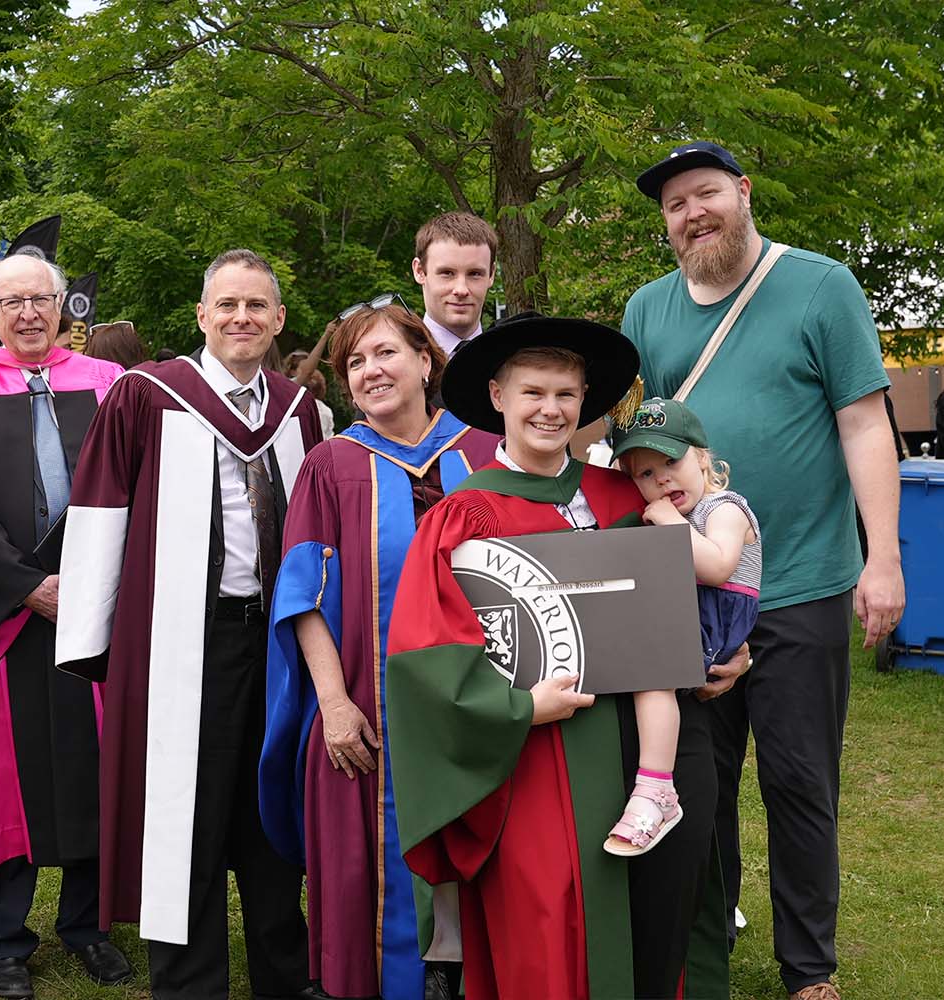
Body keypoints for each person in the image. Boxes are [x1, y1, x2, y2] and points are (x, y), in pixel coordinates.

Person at [624, 141, 905, 1000]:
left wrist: (882, 557)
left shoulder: (822, 286)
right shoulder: (648, 310)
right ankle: (701, 960)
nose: (692, 213)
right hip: (697, 594)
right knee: (699, 790)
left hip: (804, 580)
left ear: (743, 192)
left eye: (705, 193)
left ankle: (808, 970)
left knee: (798, 782)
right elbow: (639, 444)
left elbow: (863, 425)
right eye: (674, 204)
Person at [385, 312, 731, 1000]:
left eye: (566, 395)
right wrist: (518, 707)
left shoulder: (622, 497)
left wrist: (733, 642)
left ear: (585, 402)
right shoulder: (465, 514)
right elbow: (428, 654)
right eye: (533, 393)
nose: (550, 410)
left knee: (656, 919)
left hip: (648, 749)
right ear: (498, 397)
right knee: (548, 920)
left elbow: (701, 581)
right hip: (537, 759)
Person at [55, 249, 324, 1000]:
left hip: (273, 641)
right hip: (177, 640)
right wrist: (91, 639)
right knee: (185, 817)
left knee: (271, 806)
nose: (242, 318)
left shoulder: (298, 409)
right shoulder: (147, 395)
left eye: (257, 306)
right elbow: (101, 511)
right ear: (202, 316)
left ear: (276, 321)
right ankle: (188, 981)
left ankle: (284, 970)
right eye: (227, 305)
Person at [259, 303, 500, 1000]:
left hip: (486, 694)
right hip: (371, 697)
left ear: (426, 361)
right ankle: (403, 975)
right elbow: (303, 598)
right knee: (382, 840)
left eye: (386, 353)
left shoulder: (485, 452)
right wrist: (333, 704)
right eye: (355, 362)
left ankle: (469, 967)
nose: (371, 371)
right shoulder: (331, 466)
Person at [0, 251, 133, 999]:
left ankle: (89, 927)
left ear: (64, 304)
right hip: (1, 614)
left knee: (96, 762)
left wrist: (90, 588)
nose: (29, 314)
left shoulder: (108, 384)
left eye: (42, 298)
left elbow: (136, 488)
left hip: (96, 610)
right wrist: (26, 586)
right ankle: (3, 939)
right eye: (11, 303)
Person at [605, 398, 762, 858]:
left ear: (703, 458)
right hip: (686, 611)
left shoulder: (723, 508)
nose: (662, 479)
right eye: (645, 474)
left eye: (671, 462)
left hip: (714, 616)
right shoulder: (678, 514)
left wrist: (672, 522)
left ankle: (656, 789)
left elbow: (717, 567)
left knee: (650, 673)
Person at [412, 212, 497, 359]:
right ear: (419, 271)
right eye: (447, 273)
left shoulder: (514, 363)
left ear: (491, 274)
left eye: (474, 274)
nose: (461, 290)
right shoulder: (396, 367)